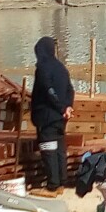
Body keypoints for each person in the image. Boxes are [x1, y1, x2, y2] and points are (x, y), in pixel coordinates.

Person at [30, 36, 73, 196]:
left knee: (48, 149)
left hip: (47, 116)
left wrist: (61, 107)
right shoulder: (61, 68)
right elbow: (70, 89)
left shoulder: (43, 68)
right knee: (60, 149)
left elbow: (49, 90)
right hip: (61, 117)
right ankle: (62, 181)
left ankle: (53, 185)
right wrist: (68, 107)